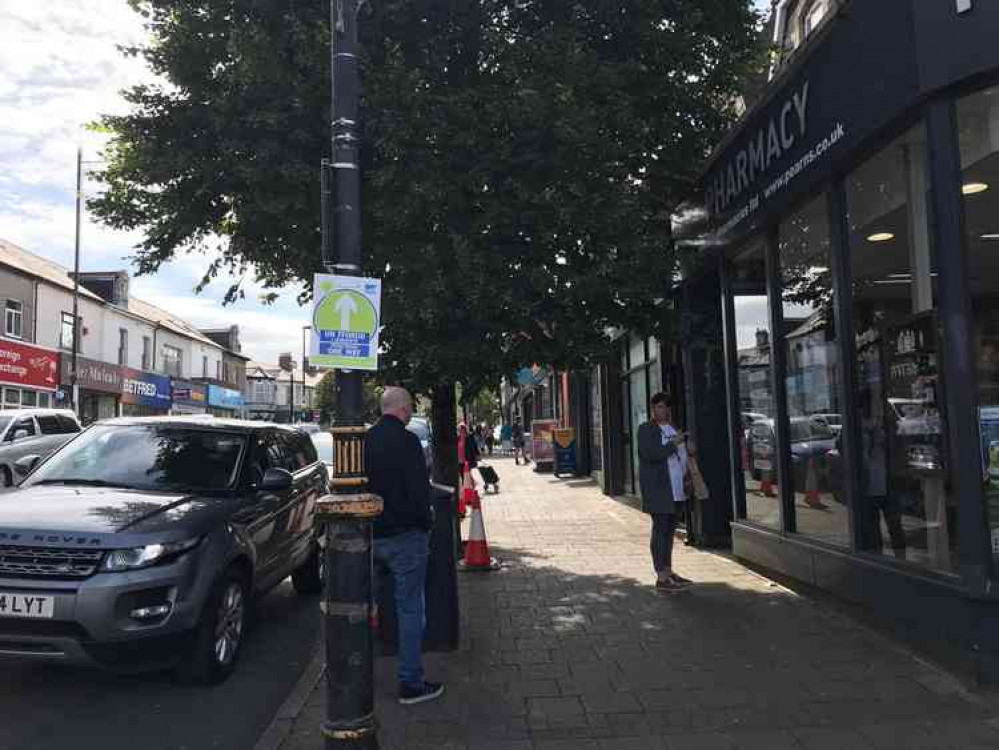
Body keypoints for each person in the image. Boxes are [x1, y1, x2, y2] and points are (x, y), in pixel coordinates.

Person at [365, 386, 445, 705]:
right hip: (406, 538)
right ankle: (410, 683)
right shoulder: (409, 440)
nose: (411, 412)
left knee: (365, 605)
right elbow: (418, 490)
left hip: (371, 536)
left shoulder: (364, 441)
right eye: (410, 407)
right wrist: (426, 524)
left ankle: (358, 673)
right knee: (410, 608)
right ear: (402, 409)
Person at [638, 393, 692, 592]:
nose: (664, 410)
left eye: (666, 407)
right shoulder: (645, 429)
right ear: (653, 409)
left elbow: (681, 454)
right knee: (660, 531)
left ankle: (669, 572)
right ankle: (661, 576)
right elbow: (650, 454)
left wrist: (688, 449)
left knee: (669, 532)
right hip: (659, 489)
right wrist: (674, 444)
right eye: (660, 407)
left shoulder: (672, 428)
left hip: (676, 489)